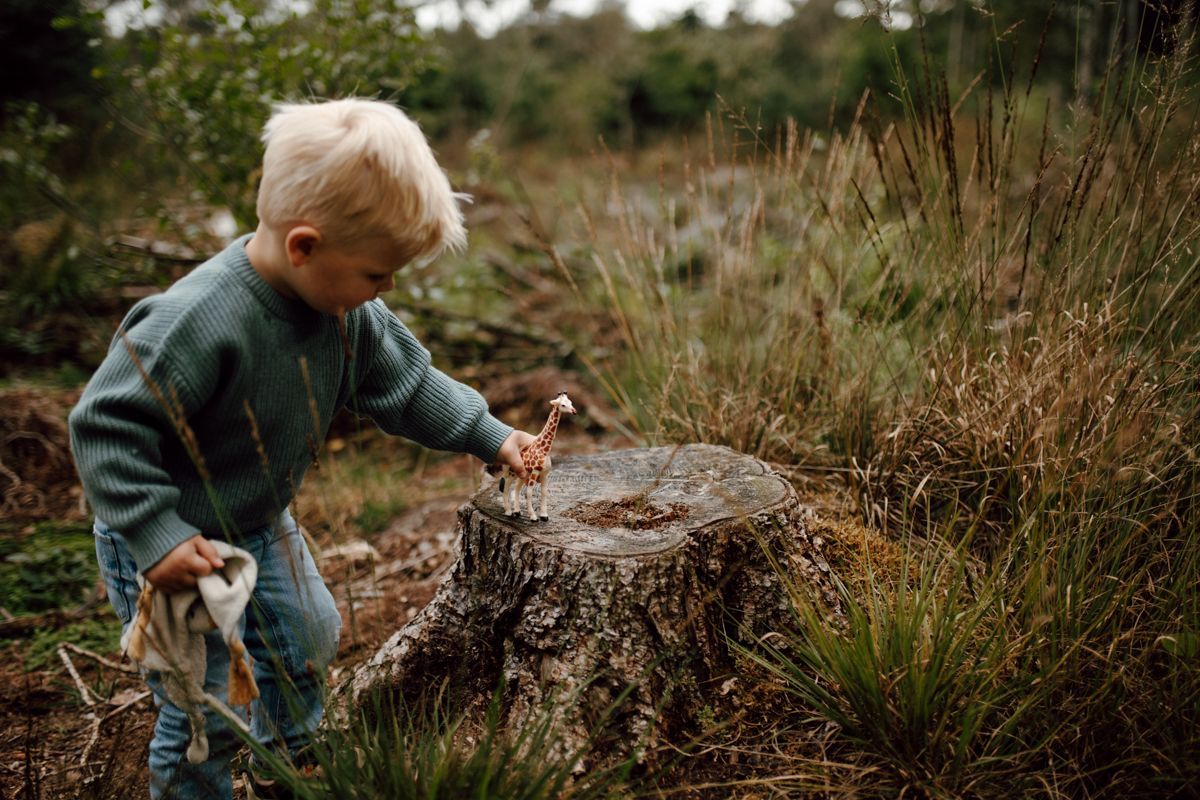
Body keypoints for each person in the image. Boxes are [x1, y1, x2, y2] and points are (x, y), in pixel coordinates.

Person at [68, 97, 535, 799]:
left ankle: (293, 760)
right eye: (377, 274)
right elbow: (106, 423)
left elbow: (407, 387)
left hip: (260, 521)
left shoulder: (349, 313)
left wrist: (491, 436)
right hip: (170, 541)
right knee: (207, 702)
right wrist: (154, 535)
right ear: (305, 246)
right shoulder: (199, 320)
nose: (386, 290)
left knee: (308, 638)